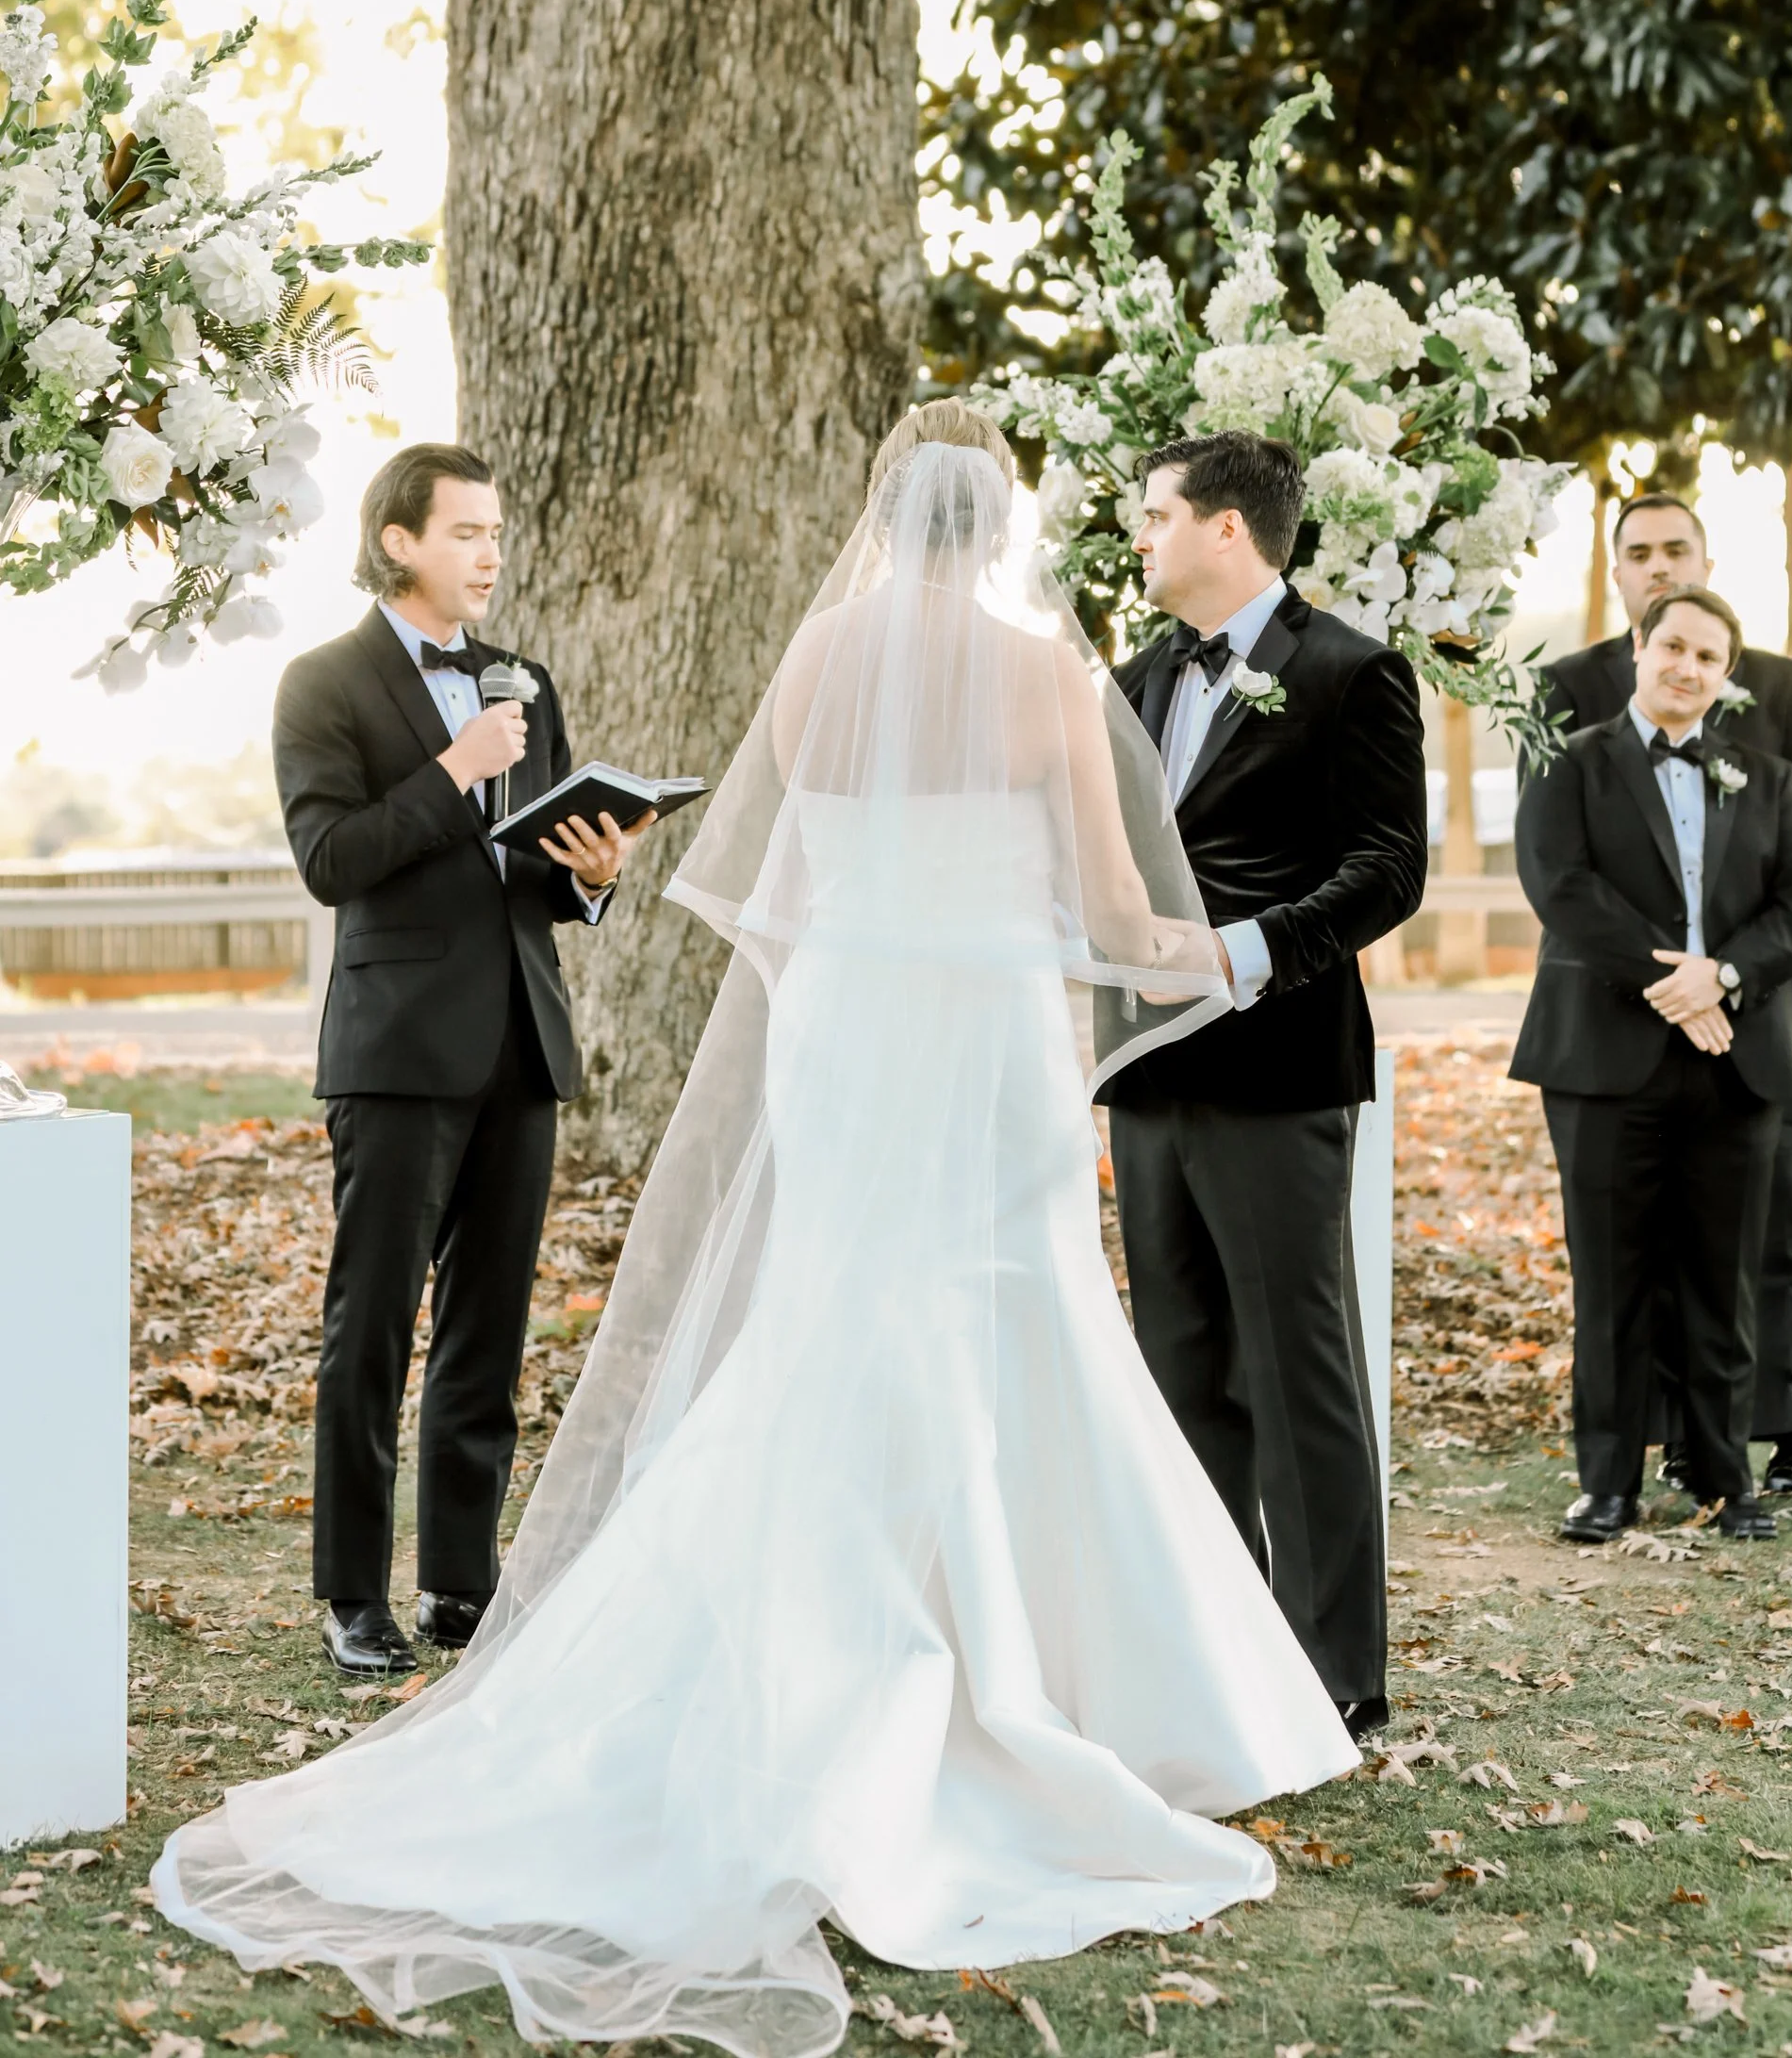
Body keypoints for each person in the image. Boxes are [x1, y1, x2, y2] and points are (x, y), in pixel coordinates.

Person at [153, 407, 1356, 2053]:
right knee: (1014, 1325)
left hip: (850, 1030)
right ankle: (1061, 1691)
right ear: (995, 527)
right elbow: (1101, 899)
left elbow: (785, 884)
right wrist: (1226, 954)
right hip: (991, 1035)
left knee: (834, 1321)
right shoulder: (1039, 675)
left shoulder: (820, 663)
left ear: (885, 515)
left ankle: (815, 1665)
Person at [272, 443, 649, 1679]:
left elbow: (529, 878)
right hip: (394, 1051)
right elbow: (334, 860)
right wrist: (455, 770)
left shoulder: (521, 679)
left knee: (487, 1336)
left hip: (521, 1044)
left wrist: (588, 878)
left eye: (495, 534)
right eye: (468, 533)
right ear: (400, 541)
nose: (491, 554)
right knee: (371, 1329)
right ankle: (349, 1597)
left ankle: (460, 1586)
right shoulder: (321, 682)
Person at [1098, 431, 1429, 1744]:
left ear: (1227, 530)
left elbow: (1388, 869)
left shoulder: (1352, 672)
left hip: (1282, 1069)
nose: (1141, 535)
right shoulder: (1132, 679)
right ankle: (1216, 1648)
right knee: (1181, 1369)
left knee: (1302, 1374)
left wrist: (1239, 952)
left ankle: (1334, 1669)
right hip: (1146, 1072)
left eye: (1158, 513)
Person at [1540, 491, 1792, 1502]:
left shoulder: (1760, 730)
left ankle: (1766, 1447)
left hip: (1749, 1026)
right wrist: (1671, 979)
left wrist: (1721, 975)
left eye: (1678, 550)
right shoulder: (1565, 710)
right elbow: (1561, 879)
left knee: (1752, 1256)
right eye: (1640, 554)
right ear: (1635, 627)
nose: (1685, 663)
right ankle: (1612, 1473)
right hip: (1607, 1029)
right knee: (1616, 1269)